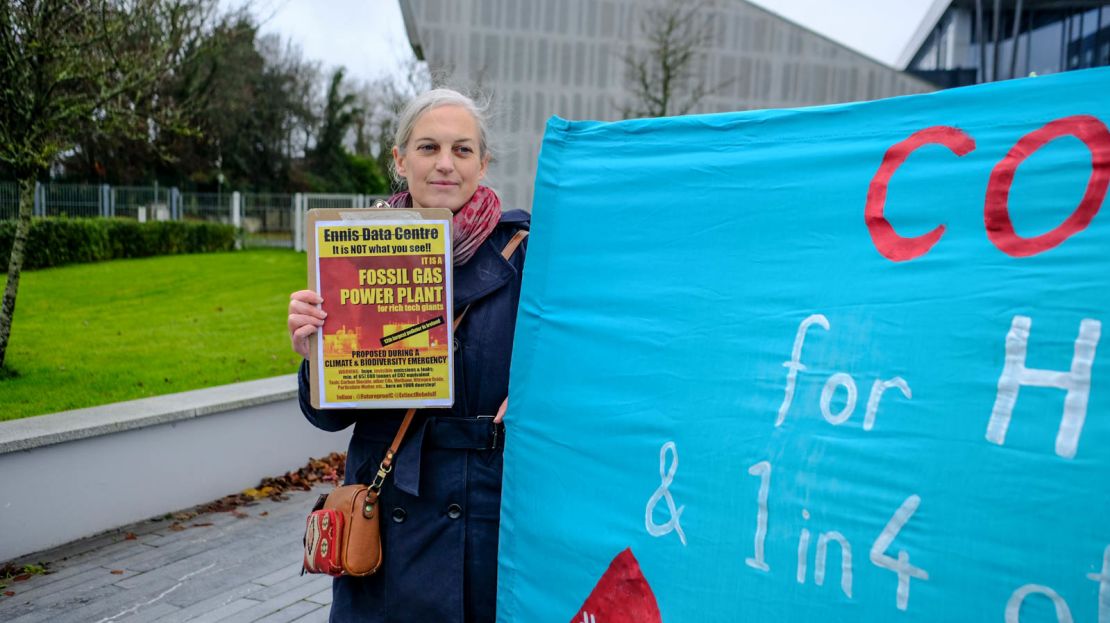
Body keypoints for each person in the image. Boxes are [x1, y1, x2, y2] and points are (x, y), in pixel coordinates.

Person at [286, 88, 528, 623]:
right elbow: (330, 417)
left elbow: (569, 366)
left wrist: (540, 391)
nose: (445, 164)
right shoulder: (350, 252)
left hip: (484, 513)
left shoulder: (525, 253)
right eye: (428, 147)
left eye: (462, 150)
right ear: (399, 159)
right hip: (388, 512)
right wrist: (314, 354)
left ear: (483, 164)